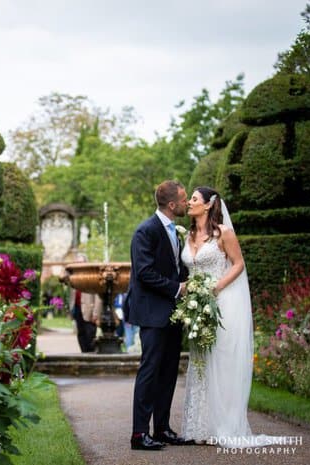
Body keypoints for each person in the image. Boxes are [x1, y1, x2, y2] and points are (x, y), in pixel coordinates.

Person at [180, 187, 274, 446]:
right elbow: (190, 272)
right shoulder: (187, 235)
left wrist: (217, 286)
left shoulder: (224, 233)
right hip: (197, 306)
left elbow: (239, 263)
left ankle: (223, 425)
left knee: (220, 362)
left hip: (222, 304)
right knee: (200, 361)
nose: (189, 202)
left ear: (208, 205)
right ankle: (199, 427)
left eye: (194, 199)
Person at [123, 180, 189, 451]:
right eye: (184, 199)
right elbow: (144, 273)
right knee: (150, 372)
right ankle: (139, 434)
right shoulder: (145, 231)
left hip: (172, 313)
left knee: (169, 371)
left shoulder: (176, 232)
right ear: (172, 204)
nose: (187, 203)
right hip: (152, 313)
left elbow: (175, 267)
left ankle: (161, 428)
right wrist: (178, 288)